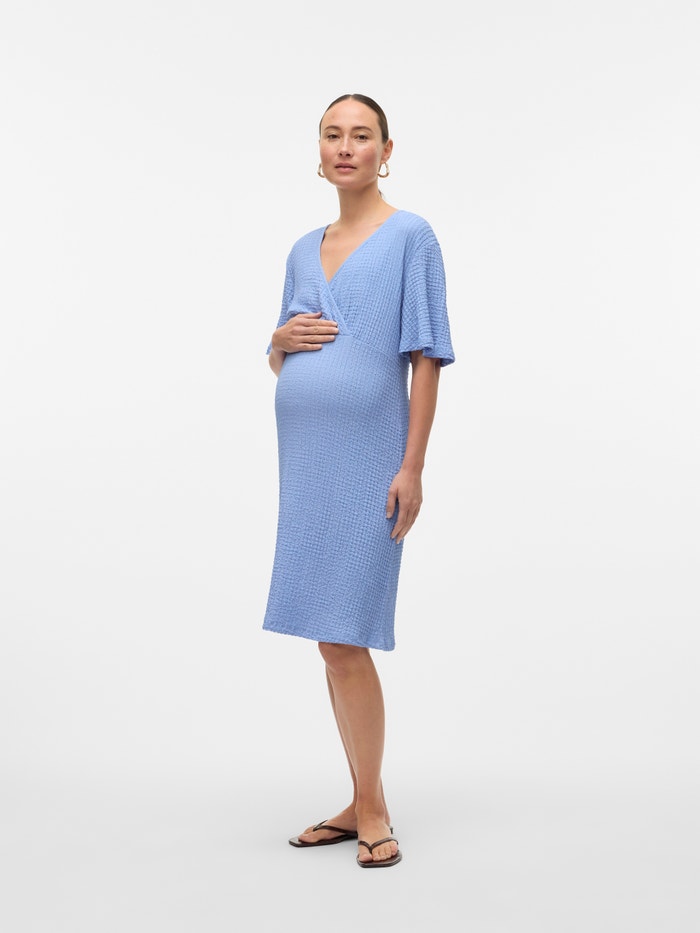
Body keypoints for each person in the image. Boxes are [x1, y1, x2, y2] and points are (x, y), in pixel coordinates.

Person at [263, 93, 455, 868]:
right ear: (319, 151)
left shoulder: (412, 237)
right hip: (307, 463)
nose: (346, 147)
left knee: (347, 636)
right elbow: (287, 355)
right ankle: (357, 797)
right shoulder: (302, 249)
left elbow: (428, 356)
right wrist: (275, 340)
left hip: (369, 460)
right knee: (329, 637)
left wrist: (412, 465)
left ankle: (372, 807)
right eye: (333, 135)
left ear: (385, 151)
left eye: (361, 135)